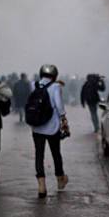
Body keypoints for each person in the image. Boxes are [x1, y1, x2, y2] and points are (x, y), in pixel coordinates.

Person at [28, 65, 69, 198]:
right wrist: (63, 117)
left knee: (39, 155)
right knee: (56, 153)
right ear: (55, 75)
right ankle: (60, 179)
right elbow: (59, 105)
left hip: (37, 126)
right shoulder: (56, 87)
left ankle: (41, 186)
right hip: (52, 127)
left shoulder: (33, 85)